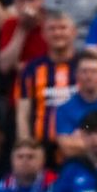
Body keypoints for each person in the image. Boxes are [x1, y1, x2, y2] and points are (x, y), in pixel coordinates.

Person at [16, 10, 80, 145]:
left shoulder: (86, 65)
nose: (57, 33)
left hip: (79, 143)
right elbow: (23, 112)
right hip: (42, 145)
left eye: (63, 28)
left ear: (74, 32)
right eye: (52, 29)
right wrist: (26, 143)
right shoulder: (31, 69)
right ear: (43, 35)